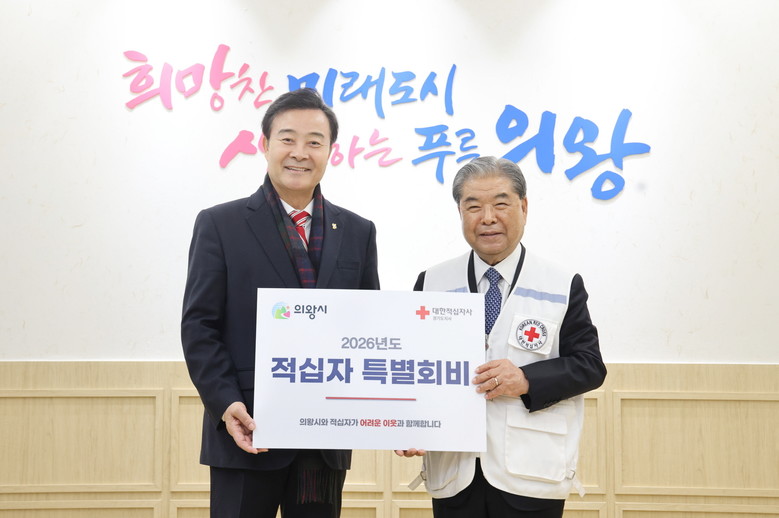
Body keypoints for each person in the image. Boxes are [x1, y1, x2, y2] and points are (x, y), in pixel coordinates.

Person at [181, 88, 380, 518]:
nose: (300, 153)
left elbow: (369, 330)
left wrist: (400, 414)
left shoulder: (358, 232)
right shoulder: (220, 224)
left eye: (314, 142)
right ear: (265, 144)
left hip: (324, 439)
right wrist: (226, 404)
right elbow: (199, 326)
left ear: (331, 150)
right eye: (287, 139)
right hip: (247, 429)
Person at [395, 156, 606, 518]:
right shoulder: (431, 282)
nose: (488, 217)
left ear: (523, 207)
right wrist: (409, 423)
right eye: (473, 206)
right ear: (460, 212)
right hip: (455, 470)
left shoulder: (560, 283)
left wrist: (525, 379)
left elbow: (589, 366)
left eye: (501, 204)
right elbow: (411, 367)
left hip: (531, 471)